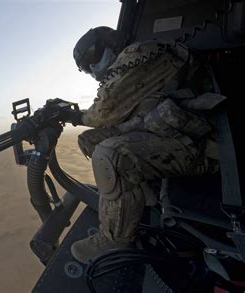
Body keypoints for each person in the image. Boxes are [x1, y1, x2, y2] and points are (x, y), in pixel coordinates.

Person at [68, 26, 225, 264]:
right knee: (90, 139)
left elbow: (103, 113)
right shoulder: (132, 61)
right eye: (86, 67)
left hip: (204, 145)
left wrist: (70, 114)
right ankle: (137, 200)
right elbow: (118, 113)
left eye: (92, 57)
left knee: (110, 154)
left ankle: (114, 240)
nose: (92, 69)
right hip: (174, 134)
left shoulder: (139, 54)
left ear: (110, 43)